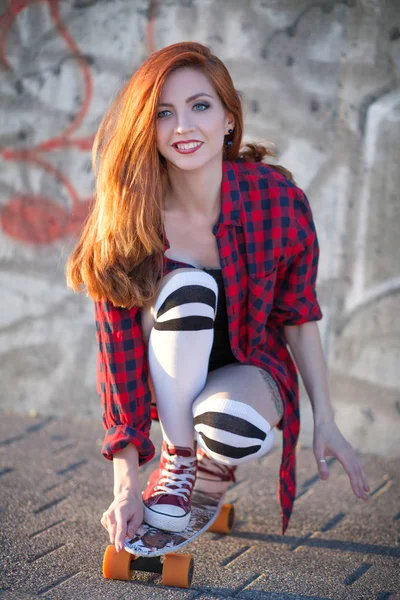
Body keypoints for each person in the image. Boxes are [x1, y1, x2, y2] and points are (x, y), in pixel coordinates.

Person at [66, 41, 370, 553]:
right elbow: (116, 358)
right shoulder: (128, 215)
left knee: (230, 423)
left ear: (229, 119)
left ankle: (214, 453)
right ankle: (180, 458)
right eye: (164, 113)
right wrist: (126, 489)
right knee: (187, 287)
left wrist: (327, 421)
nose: (183, 126)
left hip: (250, 369)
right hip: (162, 368)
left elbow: (298, 317)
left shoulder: (276, 200)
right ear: (148, 126)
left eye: (200, 106)